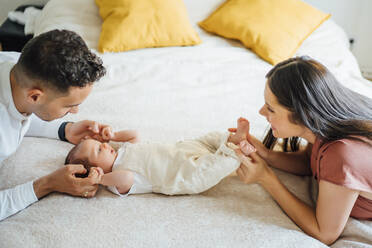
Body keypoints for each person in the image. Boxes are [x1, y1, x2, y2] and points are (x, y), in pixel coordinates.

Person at [230, 56, 372, 245]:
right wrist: (266, 154)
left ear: (303, 114)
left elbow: (324, 233)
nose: (261, 112)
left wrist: (265, 178)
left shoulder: (342, 154)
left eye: (271, 109)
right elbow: (311, 162)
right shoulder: (325, 122)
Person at [0, 29, 109, 221]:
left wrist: (64, 130)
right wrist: (48, 184)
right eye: (70, 105)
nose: (75, 111)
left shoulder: (17, 68)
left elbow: (19, 110)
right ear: (35, 96)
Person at [64, 118, 256, 196]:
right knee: (208, 170)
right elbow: (127, 178)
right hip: (179, 175)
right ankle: (235, 153)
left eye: (100, 144)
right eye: (99, 151)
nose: (105, 146)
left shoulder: (123, 150)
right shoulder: (114, 180)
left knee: (206, 140)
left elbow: (134, 135)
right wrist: (100, 179)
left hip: (181, 149)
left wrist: (113, 136)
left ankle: (231, 139)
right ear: (96, 170)